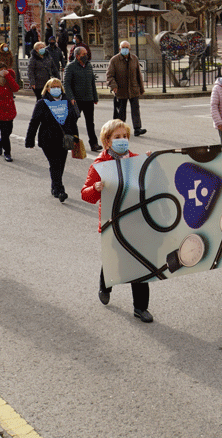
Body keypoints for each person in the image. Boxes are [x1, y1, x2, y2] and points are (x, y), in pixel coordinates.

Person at [81, 119, 152, 322]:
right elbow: (86, 195)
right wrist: (95, 189)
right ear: (107, 141)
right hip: (112, 224)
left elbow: (152, 183)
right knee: (114, 261)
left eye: (125, 136)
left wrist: (150, 164)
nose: (122, 140)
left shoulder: (136, 160)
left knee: (138, 263)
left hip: (136, 221)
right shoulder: (99, 165)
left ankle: (140, 307)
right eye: (117, 137)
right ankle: (105, 284)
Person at [25, 76, 79, 201]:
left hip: (64, 140)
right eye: (53, 87)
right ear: (47, 89)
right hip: (48, 140)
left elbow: (72, 121)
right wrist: (30, 140)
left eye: (58, 86)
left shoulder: (66, 102)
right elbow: (34, 122)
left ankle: (55, 187)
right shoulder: (42, 103)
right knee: (55, 164)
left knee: (60, 166)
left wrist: (76, 137)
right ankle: (60, 190)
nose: (56, 89)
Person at [64, 45, 101, 152]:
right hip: (76, 100)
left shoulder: (89, 66)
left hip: (88, 99)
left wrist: (95, 97)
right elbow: (66, 84)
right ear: (77, 56)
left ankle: (94, 144)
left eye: (86, 54)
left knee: (90, 123)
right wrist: (71, 97)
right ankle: (74, 143)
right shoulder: (70, 67)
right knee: (72, 122)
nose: (86, 56)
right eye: (83, 54)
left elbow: (92, 82)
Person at [106, 40, 146, 136]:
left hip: (133, 89)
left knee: (135, 110)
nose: (125, 49)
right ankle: (119, 129)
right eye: (123, 47)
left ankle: (137, 128)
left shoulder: (134, 58)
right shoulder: (114, 60)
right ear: (120, 49)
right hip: (121, 90)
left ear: (130, 49)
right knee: (121, 112)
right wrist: (114, 86)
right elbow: (109, 75)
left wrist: (141, 88)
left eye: (126, 47)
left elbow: (138, 75)